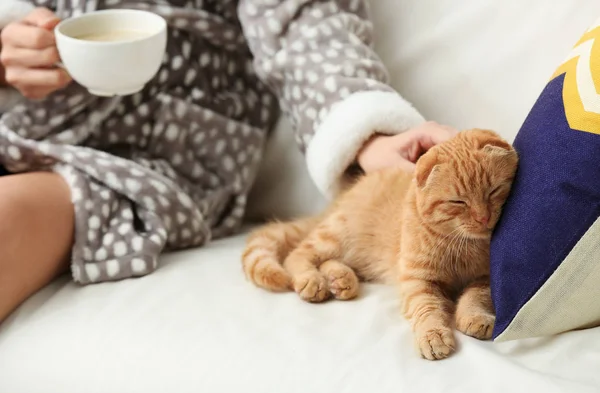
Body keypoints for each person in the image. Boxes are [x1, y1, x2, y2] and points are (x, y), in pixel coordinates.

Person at [0, 0, 456, 323]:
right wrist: (12, 44)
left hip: (160, 152)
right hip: (29, 119)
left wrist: (367, 134)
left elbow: (306, 28)